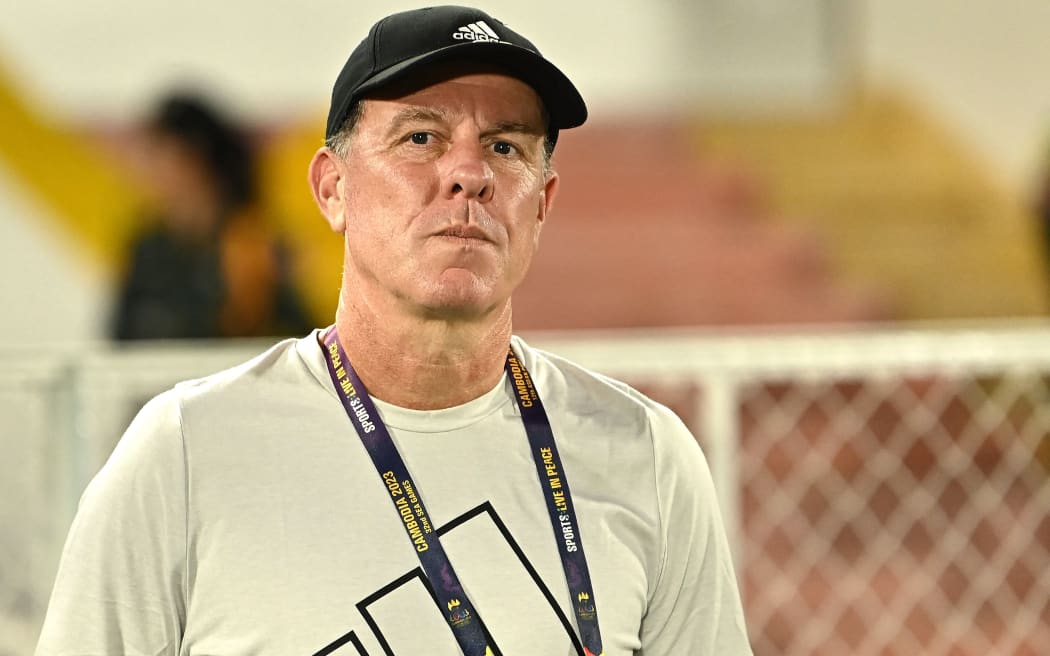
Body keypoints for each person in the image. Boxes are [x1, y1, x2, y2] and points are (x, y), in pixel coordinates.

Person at [37, 6, 753, 655]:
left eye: (506, 148)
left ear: (543, 204)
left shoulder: (646, 458)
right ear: (331, 188)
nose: (469, 173)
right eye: (421, 137)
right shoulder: (186, 454)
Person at [111, 92, 313, 340]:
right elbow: (120, 336)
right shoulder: (147, 246)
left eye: (161, 154)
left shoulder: (250, 242)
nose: (151, 171)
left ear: (197, 157)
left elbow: (296, 335)